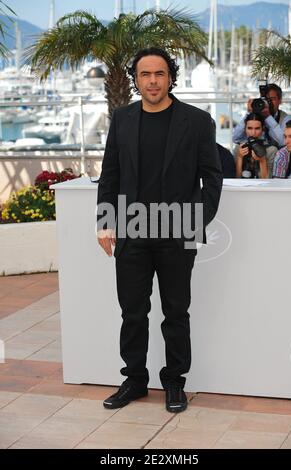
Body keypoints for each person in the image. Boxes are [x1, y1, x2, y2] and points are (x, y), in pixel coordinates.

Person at [96, 47, 222, 413]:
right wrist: (105, 222)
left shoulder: (197, 122)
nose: (153, 81)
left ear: (171, 77)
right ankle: (134, 381)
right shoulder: (122, 119)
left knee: (175, 312)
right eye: (145, 74)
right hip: (132, 233)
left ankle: (174, 384)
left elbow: (211, 177)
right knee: (132, 312)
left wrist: (196, 221)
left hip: (176, 232)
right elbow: (111, 175)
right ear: (136, 80)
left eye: (160, 74)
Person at [233, 84, 291, 148]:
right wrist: (249, 113)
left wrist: (268, 117)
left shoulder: (285, 118)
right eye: (265, 100)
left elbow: (283, 142)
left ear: (280, 100)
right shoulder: (255, 116)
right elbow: (235, 138)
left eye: (272, 99)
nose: (268, 102)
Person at [234, 113, 278, 178]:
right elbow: (236, 178)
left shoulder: (271, 149)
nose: (253, 133)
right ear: (245, 129)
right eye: (249, 128)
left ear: (262, 129)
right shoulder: (239, 148)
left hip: (263, 187)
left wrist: (262, 160)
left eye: (257, 128)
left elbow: (268, 180)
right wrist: (240, 157)